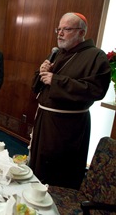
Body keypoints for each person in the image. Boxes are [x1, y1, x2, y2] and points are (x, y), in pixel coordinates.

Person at [30, 12, 111, 189]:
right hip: (45, 120)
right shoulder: (58, 54)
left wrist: (56, 80)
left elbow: (96, 90)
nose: (60, 33)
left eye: (66, 29)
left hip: (68, 127)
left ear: (81, 33)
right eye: (58, 29)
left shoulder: (96, 56)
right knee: (38, 164)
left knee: (58, 172)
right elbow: (39, 87)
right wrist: (41, 72)